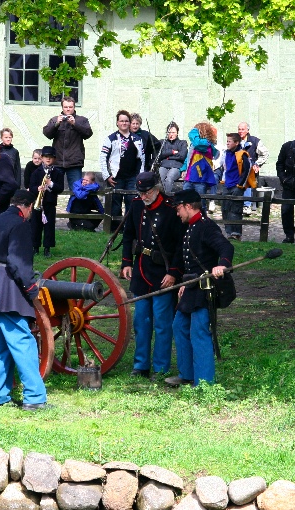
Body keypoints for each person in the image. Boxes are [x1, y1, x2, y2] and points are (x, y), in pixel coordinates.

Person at [0, 189, 48, 411]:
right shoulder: (20, 224)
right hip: (6, 288)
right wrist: (31, 289)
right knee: (23, 341)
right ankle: (34, 397)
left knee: (4, 345)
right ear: (27, 207)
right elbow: (18, 262)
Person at [166, 189, 234, 387]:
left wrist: (222, 264)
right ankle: (187, 374)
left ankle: (204, 383)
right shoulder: (191, 226)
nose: (177, 213)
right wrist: (185, 283)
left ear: (188, 206)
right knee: (179, 326)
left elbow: (226, 247)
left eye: (178, 208)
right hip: (192, 287)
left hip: (205, 289)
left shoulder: (206, 227)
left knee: (199, 332)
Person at [121, 172, 183, 378]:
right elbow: (128, 234)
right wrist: (126, 262)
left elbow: (180, 245)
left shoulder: (170, 208)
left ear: (156, 189)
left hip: (163, 271)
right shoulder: (136, 205)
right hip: (141, 268)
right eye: (141, 192)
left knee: (163, 323)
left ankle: (161, 367)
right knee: (141, 321)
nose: (144, 196)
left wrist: (173, 273)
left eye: (147, 192)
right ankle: (141, 365)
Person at [100, 110, 144, 218]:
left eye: (126, 121)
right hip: (115, 178)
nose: (124, 123)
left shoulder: (137, 139)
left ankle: (129, 226)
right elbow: (103, 158)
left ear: (129, 123)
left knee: (132, 203)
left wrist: (140, 176)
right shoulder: (111, 139)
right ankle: (115, 226)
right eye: (121, 121)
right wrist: (107, 176)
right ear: (117, 123)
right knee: (115, 205)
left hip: (132, 178)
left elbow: (141, 159)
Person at [42, 96, 93, 191]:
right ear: (62, 107)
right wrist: (56, 124)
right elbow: (47, 134)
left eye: (70, 107)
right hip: (57, 161)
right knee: (52, 189)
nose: (68, 109)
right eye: (66, 107)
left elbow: (88, 134)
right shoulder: (54, 119)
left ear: (74, 107)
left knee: (76, 191)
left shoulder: (82, 120)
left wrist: (75, 124)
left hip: (74, 162)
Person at [28, 146, 64, 257]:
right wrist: (37, 188)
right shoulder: (36, 172)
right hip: (38, 203)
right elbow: (31, 186)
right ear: (42, 158)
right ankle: (35, 247)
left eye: (50, 157)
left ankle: (47, 248)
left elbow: (60, 188)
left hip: (50, 203)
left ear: (54, 159)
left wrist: (50, 183)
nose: (48, 159)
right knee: (35, 226)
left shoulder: (58, 173)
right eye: (46, 157)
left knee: (49, 226)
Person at [221, 133, 251, 241]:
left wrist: (240, 185)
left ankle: (236, 233)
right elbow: (224, 168)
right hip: (227, 184)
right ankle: (229, 232)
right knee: (225, 209)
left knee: (235, 210)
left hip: (236, 185)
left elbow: (247, 170)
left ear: (236, 143)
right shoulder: (226, 153)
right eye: (227, 141)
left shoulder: (242, 154)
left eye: (229, 141)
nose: (227, 143)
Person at [237, 121, 270, 216]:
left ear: (247, 130)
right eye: (239, 129)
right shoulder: (235, 140)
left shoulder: (255, 141)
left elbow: (265, 153)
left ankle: (246, 205)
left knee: (247, 177)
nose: (240, 131)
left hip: (250, 169)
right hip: (237, 168)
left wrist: (257, 164)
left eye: (243, 129)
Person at [182, 122, 218, 196]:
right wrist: (184, 169)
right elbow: (188, 158)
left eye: (196, 131)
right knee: (186, 199)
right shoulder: (194, 145)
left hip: (200, 179)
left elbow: (197, 143)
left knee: (200, 200)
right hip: (190, 177)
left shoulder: (206, 144)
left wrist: (193, 131)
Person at [156, 122, 188, 195]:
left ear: (177, 133)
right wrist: (172, 152)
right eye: (169, 132)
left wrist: (167, 157)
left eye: (173, 132)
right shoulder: (162, 142)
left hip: (176, 167)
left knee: (169, 178)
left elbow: (182, 156)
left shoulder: (182, 143)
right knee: (160, 178)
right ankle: (159, 197)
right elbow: (159, 155)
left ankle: (166, 197)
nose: (171, 134)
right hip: (163, 165)